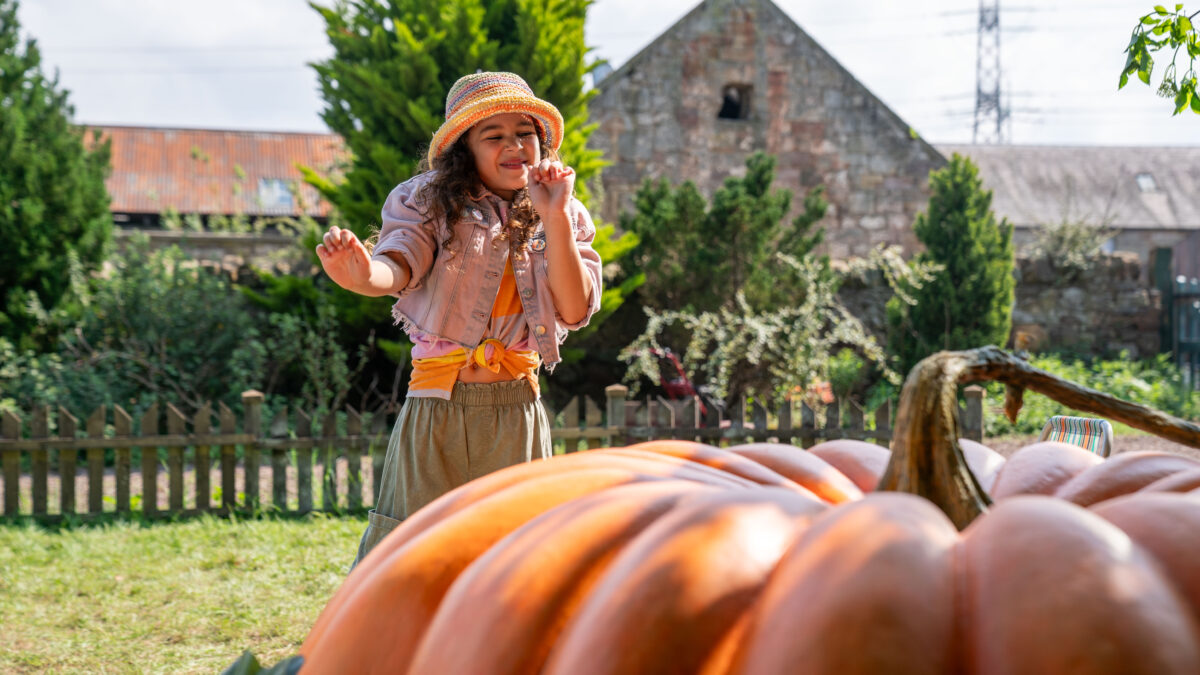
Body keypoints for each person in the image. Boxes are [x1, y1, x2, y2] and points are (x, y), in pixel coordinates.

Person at [315, 72, 602, 566]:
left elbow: (575, 309)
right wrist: (362, 275)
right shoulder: (426, 202)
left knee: (518, 556)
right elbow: (399, 263)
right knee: (410, 551)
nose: (514, 145)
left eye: (525, 132)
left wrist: (553, 215)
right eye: (494, 135)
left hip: (518, 411)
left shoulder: (565, 211)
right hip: (437, 407)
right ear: (464, 150)